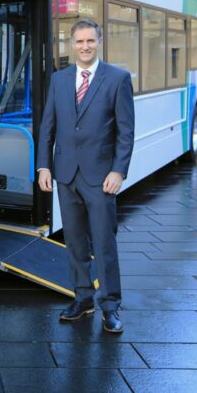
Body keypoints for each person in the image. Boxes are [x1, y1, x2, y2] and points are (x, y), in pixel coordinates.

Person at [36, 19, 135, 334]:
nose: (84, 46)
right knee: (75, 241)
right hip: (65, 175)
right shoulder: (59, 79)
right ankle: (83, 299)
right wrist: (43, 166)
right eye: (79, 41)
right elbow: (47, 125)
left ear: (99, 41)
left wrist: (119, 170)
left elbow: (125, 131)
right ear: (72, 44)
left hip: (101, 176)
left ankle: (110, 306)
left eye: (90, 41)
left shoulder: (117, 79)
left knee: (104, 242)